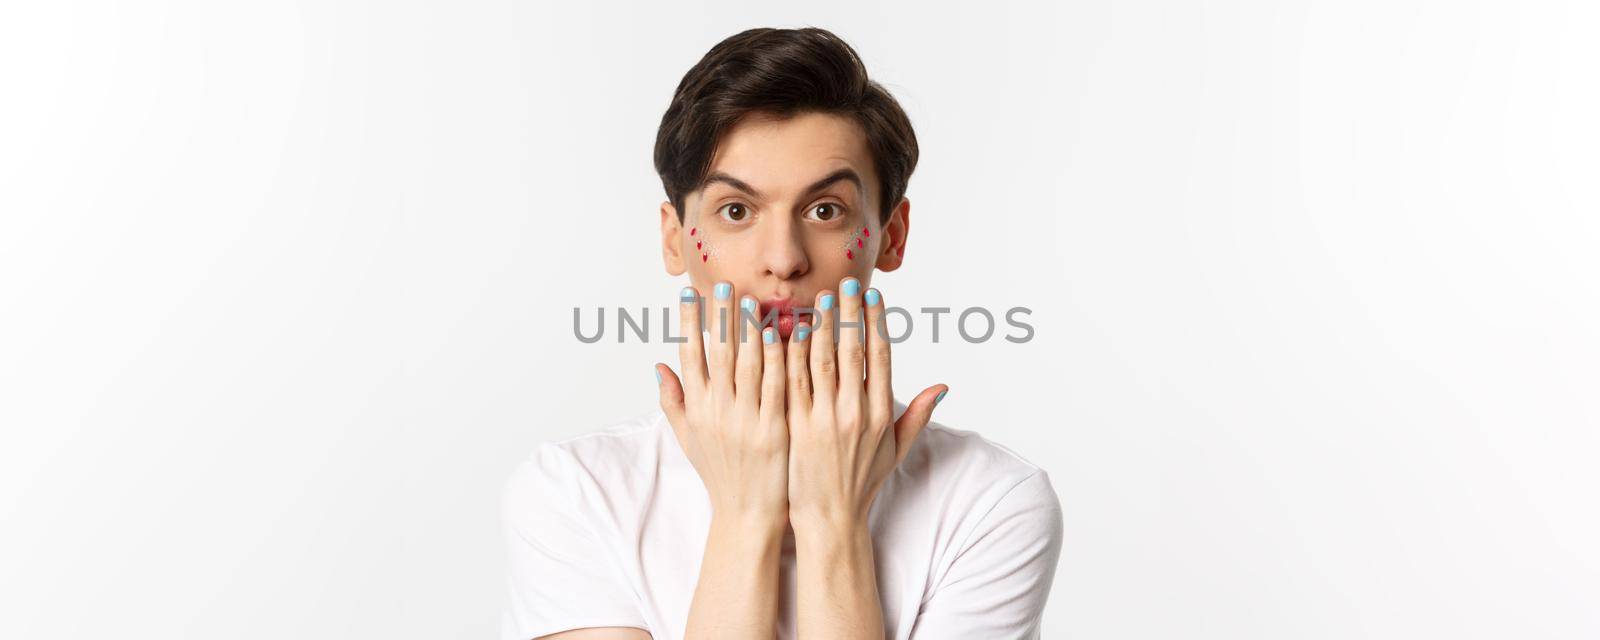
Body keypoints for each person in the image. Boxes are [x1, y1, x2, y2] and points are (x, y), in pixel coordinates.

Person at [501, 27, 1064, 640]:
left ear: (892, 235)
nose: (784, 259)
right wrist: (747, 518)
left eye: (825, 211)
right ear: (673, 238)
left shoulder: (990, 502)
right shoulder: (577, 494)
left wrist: (833, 524)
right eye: (736, 211)